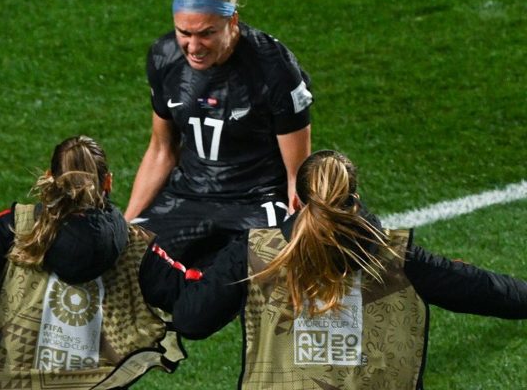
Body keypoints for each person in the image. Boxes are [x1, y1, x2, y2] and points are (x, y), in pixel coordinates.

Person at [140, 150, 527, 389]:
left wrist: (141, 255)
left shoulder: (254, 253)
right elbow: (489, 291)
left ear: (295, 200)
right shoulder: (398, 260)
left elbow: (192, 319)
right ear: (355, 201)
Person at [0, 135, 184, 389]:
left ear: (51, 178)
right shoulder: (137, 247)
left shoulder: (16, 226)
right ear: (108, 182)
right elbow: (193, 305)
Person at [125, 0, 313, 273]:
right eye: (183, 32)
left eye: (206, 34)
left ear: (232, 21)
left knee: (274, 282)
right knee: (126, 265)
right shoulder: (164, 57)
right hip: (188, 197)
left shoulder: (273, 68)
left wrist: (302, 234)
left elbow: (298, 173)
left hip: (256, 200)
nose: (193, 46)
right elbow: (161, 150)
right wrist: (127, 224)